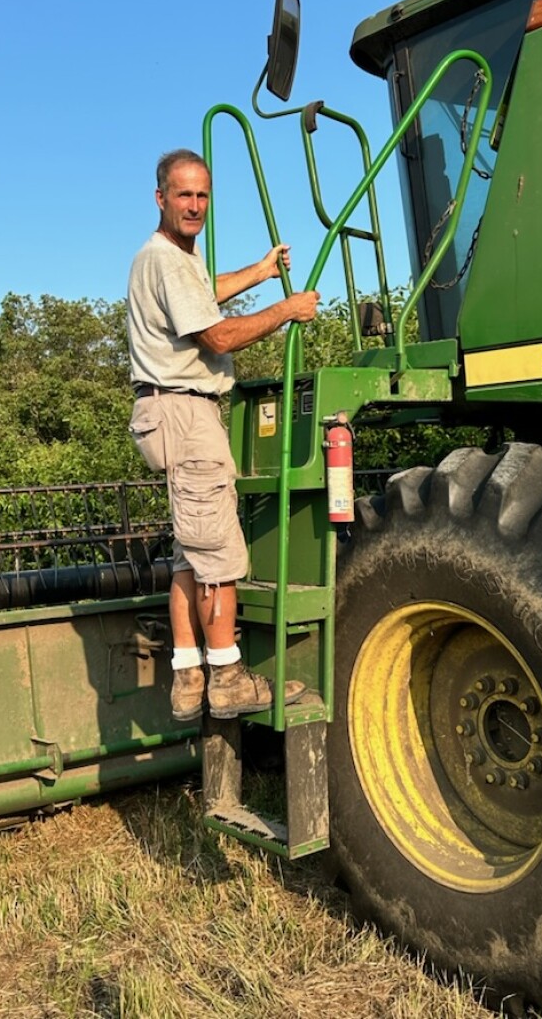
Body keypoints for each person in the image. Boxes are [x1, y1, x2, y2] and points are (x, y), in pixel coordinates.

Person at [126, 148, 320, 721]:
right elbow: (216, 337)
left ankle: (188, 679)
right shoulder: (165, 259)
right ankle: (229, 678)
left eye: (202, 195)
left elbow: (204, 291)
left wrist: (258, 272)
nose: (194, 205)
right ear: (160, 198)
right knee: (219, 556)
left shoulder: (177, 260)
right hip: (187, 415)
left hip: (169, 414)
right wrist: (285, 308)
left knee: (190, 555)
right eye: (183, 194)